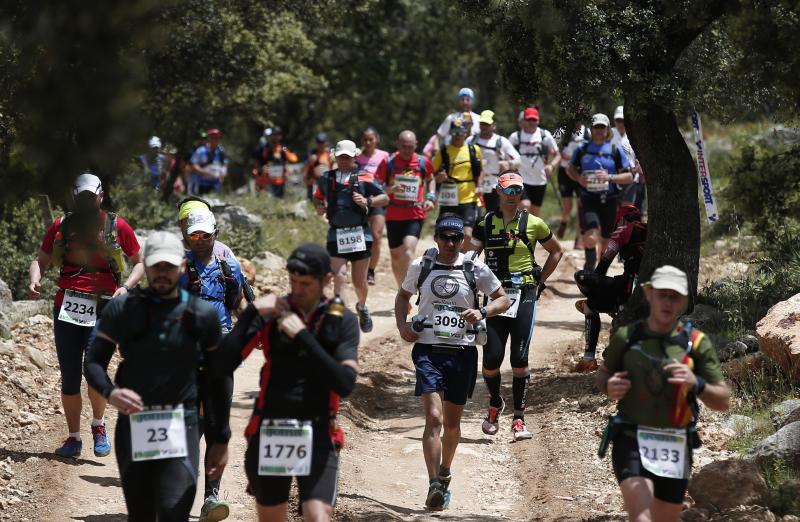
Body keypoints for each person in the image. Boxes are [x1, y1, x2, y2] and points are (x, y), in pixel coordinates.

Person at [84, 231, 229, 521]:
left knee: (174, 511)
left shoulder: (202, 315)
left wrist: (221, 437)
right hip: (134, 425)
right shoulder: (123, 309)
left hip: (181, 423)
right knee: (142, 515)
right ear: (145, 266)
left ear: (183, 267)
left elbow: (219, 377)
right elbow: (94, 362)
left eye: (169, 266)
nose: (162, 273)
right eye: (156, 266)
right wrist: (111, 393)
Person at [213, 243, 359, 522]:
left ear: (326, 281)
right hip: (270, 430)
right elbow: (221, 365)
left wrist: (303, 335)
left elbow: (345, 384)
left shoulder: (341, 320)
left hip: (318, 431)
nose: (297, 290)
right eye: (292, 282)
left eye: (305, 283)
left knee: (318, 517)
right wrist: (253, 312)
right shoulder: (272, 312)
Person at [596, 265, 730, 522]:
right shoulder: (627, 338)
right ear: (648, 294)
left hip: (676, 442)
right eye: (662, 294)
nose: (668, 302)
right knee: (642, 517)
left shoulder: (695, 343)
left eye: (675, 296)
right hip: (631, 437)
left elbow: (723, 400)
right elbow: (602, 375)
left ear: (684, 301)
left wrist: (697, 383)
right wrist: (609, 385)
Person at [394, 215, 510, 511]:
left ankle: (445, 471)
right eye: (444, 237)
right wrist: (402, 326)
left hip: (462, 352)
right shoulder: (422, 265)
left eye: (455, 239)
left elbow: (503, 299)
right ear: (435, 238)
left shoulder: (475, 268)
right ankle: (433, 483)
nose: (449, 243)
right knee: (433, 419)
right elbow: (403, 295)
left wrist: (482, 312)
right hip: (428, 350)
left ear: (463, 241)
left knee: (453, 424)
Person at [28, 173, 144, 458]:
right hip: (66, 306)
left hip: (103, 305)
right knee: (69, 375)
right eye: (81, 197)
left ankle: (98, 425)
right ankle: (73, 437)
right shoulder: (61, 225)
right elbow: (40, 259)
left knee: (94, 371)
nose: (86, 202)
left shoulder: (117, 226)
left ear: (100, 196)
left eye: (90, 197)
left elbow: (139, 262)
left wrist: (126, 288)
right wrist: (35, 278)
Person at [470, 173, 563, 440]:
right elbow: (470, 258)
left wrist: (540, 281)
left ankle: (519, 419)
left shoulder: (534, 222)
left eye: (518, 190)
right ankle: (495, 402)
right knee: (490, 361)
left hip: (524, 294)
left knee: (519, 359)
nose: (513, 194)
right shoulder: (485, 223)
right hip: (496, 295)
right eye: (508, 190)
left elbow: (556, 251)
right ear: (498, 191)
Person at [181, 208, 245, 522]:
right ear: (187, 236)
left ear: (215, 234)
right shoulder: (177, 269)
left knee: (217, 429)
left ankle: (211, 497)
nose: (201, 240)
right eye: (195, 234)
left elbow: (241, 305)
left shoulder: (229, 267)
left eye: (206, 234)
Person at [313, 139, 389, 333]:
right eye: (341, 157)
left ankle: (362, 307)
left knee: (358, 282)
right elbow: (317, 196)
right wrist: (319, 206)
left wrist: (367, 200)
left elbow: (385, 197)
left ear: (355, 156)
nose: (344, 160)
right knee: (339, 276)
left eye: (347, 156)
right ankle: (341, 318)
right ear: (336, 157)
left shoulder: (365, 177)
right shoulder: (326, 178)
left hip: (360, 234)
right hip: (336, 233)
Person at [574, 204, 647, 372]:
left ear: (621, 219)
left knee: (582, 278)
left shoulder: (622, 231)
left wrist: (594, 289)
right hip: (645, 287)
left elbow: (604, 263)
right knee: (594, 301)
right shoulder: (650, 229)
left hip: (628, 287)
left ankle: (588, 358)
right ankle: (607, 305)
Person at [566, 113, 633, 271]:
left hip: (610, 199)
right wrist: (578, 178)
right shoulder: (582, 149)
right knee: (591, 237)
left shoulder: (615, 150)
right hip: (588, 198)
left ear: (608, 129)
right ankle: (589, 266)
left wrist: (609, 177)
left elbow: (629, 176)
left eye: (602, 127)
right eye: (596, 127)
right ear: (591, 129)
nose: (599, 130)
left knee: (606, 240)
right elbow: (570, 169)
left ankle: (600, 272)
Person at [375, 130, 436, 286]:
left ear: (416, 145)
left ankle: (407, 291)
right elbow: (377, 187)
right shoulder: (388, 162)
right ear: (398, 145)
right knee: (396, 257)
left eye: (410, 147)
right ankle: (400, 288)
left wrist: (431, 197)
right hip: (394, 214)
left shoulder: (423, 162)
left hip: (414, 213)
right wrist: (391, 189)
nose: (407, 150)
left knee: (408, 252)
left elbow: (431, 179)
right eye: (404, 147)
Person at [432, 118, 483, 249]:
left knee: (467, 234)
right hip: (449, 199)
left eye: (460, 133)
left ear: (465, 133)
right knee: (445, 233)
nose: (457, 136)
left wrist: (480, 186)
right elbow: (431, 175)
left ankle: (462, 261)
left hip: (469, 198)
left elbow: (481, 171)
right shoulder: (443, 151)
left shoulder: (474, 149)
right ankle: (448, 259)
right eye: (454, 133)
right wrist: (439, 178)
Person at [508, 107, 560, 215]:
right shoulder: (515, 137)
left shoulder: (545, 136)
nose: (532, 122)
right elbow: (505, 154)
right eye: (529, 120)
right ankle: (519, 230)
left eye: (534, 120)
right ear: (524, 121)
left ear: (538, 121)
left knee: (535, 214)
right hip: (521, 179)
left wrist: (552, 166)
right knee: (525, 205)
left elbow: (557, 155)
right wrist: (509, 164)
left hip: (540, 180)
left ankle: (525, 231)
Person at [356, 127, 390, 286]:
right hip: (359, 201)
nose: (368, 142)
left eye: (371, 139)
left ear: (377, 139)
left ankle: (371, 270)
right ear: (361, 140)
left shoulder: (384, 156)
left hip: (377, 200)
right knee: (361, 236)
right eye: (365, 139)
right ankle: (359, 268)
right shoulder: (356, 158)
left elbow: (390, 178)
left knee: (376, 236)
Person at [468, 110, 521, 213]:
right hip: (473, 183)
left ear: (494, 125)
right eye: (482, 124)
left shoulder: (502, 142)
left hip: (494, 184)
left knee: (493, 216)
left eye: (487, 124)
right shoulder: (471, 141)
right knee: (474, 217)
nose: (484, 127)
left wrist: (509, 164)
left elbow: (519, 161)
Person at [556, 121, 591, 246]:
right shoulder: (562, 130)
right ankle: (564, 222)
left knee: (581, 204)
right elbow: (553, 148)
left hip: (580, 172)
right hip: (565, 172)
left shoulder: (587, 132)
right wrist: (561, 155)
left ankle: (579, 239)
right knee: (567, 207)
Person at [611, 106, 646, 210]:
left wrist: (639, 166)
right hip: (613, 177)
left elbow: (640, 155)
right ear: (614, 120)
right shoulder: (608, 134)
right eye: (618, 120)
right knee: (614, 211)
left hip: (631, 178)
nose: (621, 123)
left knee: (627, 211)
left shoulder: (635, 135)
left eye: (623, 120)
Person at [253, 126, 299, 198]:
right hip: (266, 180)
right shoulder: (263, 148)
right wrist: (261, 169)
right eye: (274, 135)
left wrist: (286, 155)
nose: (276, 137)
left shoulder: (283, 147)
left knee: (280, 198)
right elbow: (256, 160)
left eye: (278, 135)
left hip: (280, 180)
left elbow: (293, 158)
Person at [190, 128, 228, 195]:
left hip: (216, 184)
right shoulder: (201, 151)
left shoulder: (221, 151)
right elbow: (193, 164)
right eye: (214, 138)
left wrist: (223, 174)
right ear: (209, 138)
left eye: (218, 138)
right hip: (202, 183)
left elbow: (224, 165)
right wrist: (202, 171)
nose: (217, 140)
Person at [303, 132, 331, 200]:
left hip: (327, 182)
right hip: (314, 182)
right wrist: (310, 162)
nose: (321, 145)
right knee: (313, 200)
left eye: (322, 142)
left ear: (326, 142)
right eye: (319, 142)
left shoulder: (330, 153)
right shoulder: (311, 153)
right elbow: (304, 169)